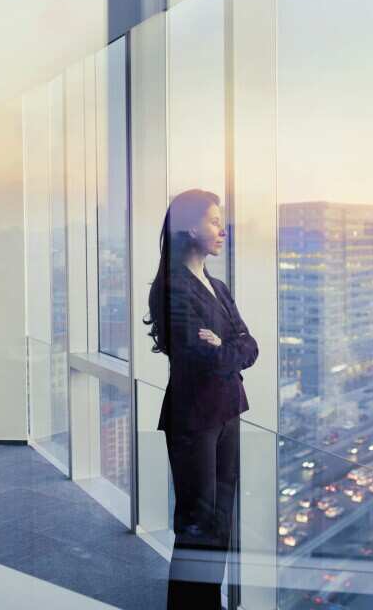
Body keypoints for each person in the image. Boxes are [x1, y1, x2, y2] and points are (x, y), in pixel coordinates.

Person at [144, 189, 259, 609]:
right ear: (190, 227)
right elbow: (196, 358)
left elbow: (250, 345)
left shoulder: (218, 286)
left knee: (221, 520)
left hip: (228, 412)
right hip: (193, 418)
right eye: (214, 221)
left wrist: (225, 347)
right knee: (196, 523)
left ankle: (209, 602)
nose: (222, 229)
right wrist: (229, 350)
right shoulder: (171, 288)